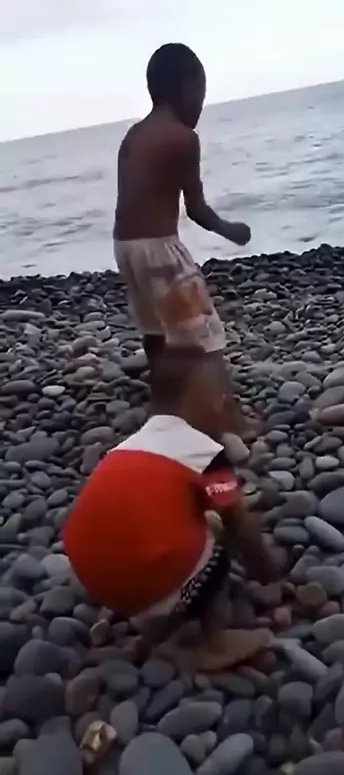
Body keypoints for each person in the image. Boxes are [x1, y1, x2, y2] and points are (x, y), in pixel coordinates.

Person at [62, 353, 281, 671]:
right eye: (224, 401)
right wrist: (267, 572)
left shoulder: (127, 447)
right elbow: (238, 521)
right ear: (211, 405)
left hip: (94, 579)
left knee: (162, 522)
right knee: (218, 532)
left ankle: (147, 611)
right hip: (154, 578)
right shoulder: (204, 454)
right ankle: (213, 642)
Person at [113, 42, 251, 401]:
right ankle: (220, 409)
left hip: (124, 248)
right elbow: (196, 209)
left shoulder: (133, 134)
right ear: (188, 88)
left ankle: (166, 398)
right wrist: (231, 230)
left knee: (155, 327)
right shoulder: (184, 138)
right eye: (201, 94)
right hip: (159, 248)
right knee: (203, 331)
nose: (201, 105)